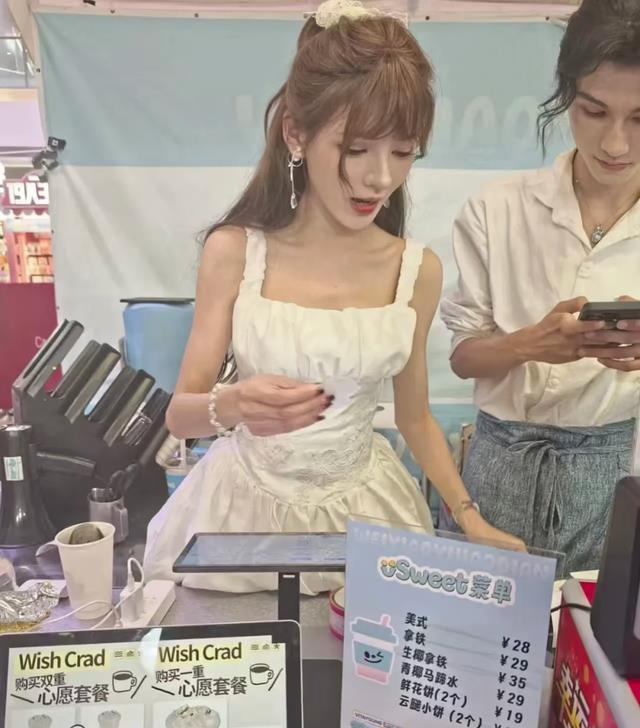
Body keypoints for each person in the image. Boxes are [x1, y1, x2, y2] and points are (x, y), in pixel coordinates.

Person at [144, 0, 523, 594]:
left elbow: (415, 416)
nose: (381, 177)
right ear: (297, 134)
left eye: (403, 152)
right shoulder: (235, 251)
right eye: (357, 148)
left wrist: (469, 518)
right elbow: (180, 415)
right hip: (238, 516)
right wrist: (235, 404)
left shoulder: (415, 271)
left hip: (365, 515)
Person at [440, 0, 640, 575]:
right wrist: (529, 344)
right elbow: (462, 357)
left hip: (615, 474)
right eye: (594, 111)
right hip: (498, 465)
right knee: (477, 625)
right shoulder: (497, 208)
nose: (616, 144)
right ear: (566, 92)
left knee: (595, 629)